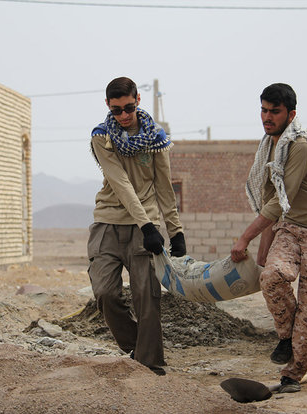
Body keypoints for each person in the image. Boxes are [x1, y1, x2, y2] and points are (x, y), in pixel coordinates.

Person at [231, 83, 307, 393]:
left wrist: (245, 239)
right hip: (292, 228)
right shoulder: (268, 147)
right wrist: (263, 251)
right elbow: (272, 198)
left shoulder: (300, 146)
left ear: (291, 114)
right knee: (271, 276)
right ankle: (286, 337)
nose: (267, 117)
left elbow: (279, 201)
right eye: (264, 111)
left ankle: (291, 376)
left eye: (274, 112)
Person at [87, 77, 186, 376]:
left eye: (128, 107)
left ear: (138, 100)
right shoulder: (102, 137)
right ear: (108, 106)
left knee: (147, 299)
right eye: (116, 110)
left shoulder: (156, 139)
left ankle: (150, 364)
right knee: (105, 293)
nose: (124, 115)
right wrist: (148, 226)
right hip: (109, 223)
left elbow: (163, 187)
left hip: (146, 229)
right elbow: (120, 183)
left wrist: (175, 231)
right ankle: (135, 345)